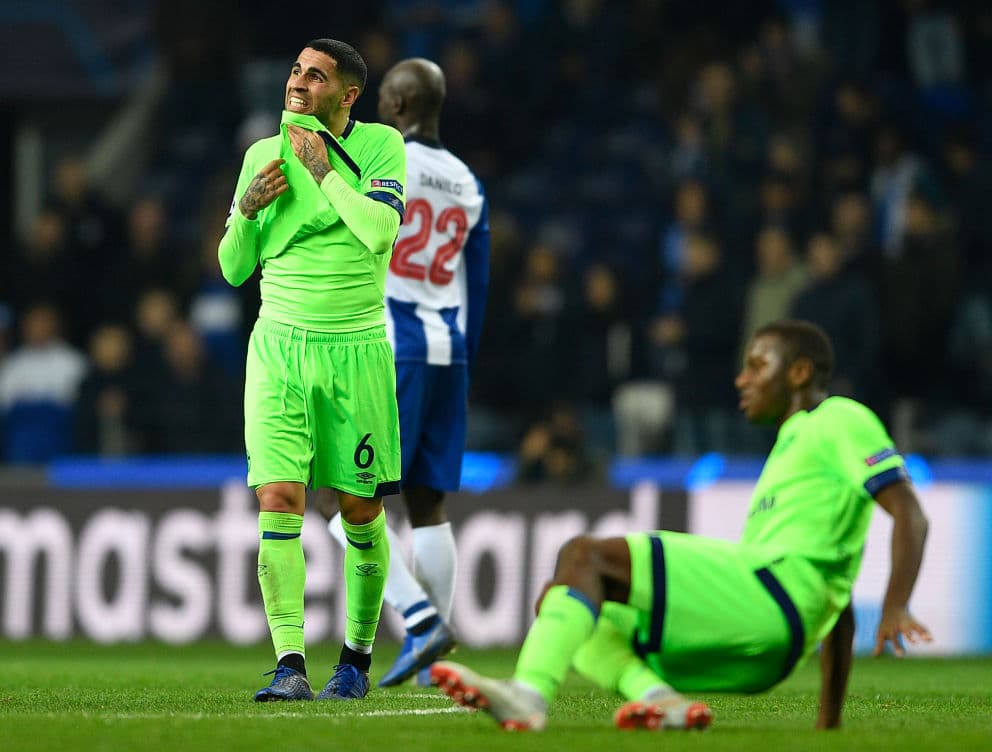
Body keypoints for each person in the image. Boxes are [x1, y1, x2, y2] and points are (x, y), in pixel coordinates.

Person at [433, 320, 932, 731]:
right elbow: (836, 601)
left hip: (769, 599)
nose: (742, 379)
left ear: (801, 372)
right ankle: (659, 699)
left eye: (758, 365)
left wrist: (896, 604)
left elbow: (909, 509)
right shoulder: (793, 449)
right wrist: (829, 724)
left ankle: (528, 694)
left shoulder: (838, 418)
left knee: (585, 554)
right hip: (774, 650)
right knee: (564, 603)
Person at [218, 38, 406, 702]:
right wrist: (246, 214)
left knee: (359, 508)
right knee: (277, 497)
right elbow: (233, 267)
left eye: (316, 76)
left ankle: (354, 659)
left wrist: (324, 171)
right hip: (277, 348)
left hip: (354, 349)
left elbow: (379, 233)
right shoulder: (260, 158)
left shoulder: (382, 148)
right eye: (296, 70)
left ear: (348, 94)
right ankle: (290, 664)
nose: (298, 82)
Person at [315, 57, 490, 688]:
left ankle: (418, 617)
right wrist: (466, 351)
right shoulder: (467, 181)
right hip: (452, 349)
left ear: (394, 105)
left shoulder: (383, 159)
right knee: (427, 502)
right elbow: (481, 279)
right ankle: (434, 663)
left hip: (390, 344)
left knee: (339, 494)